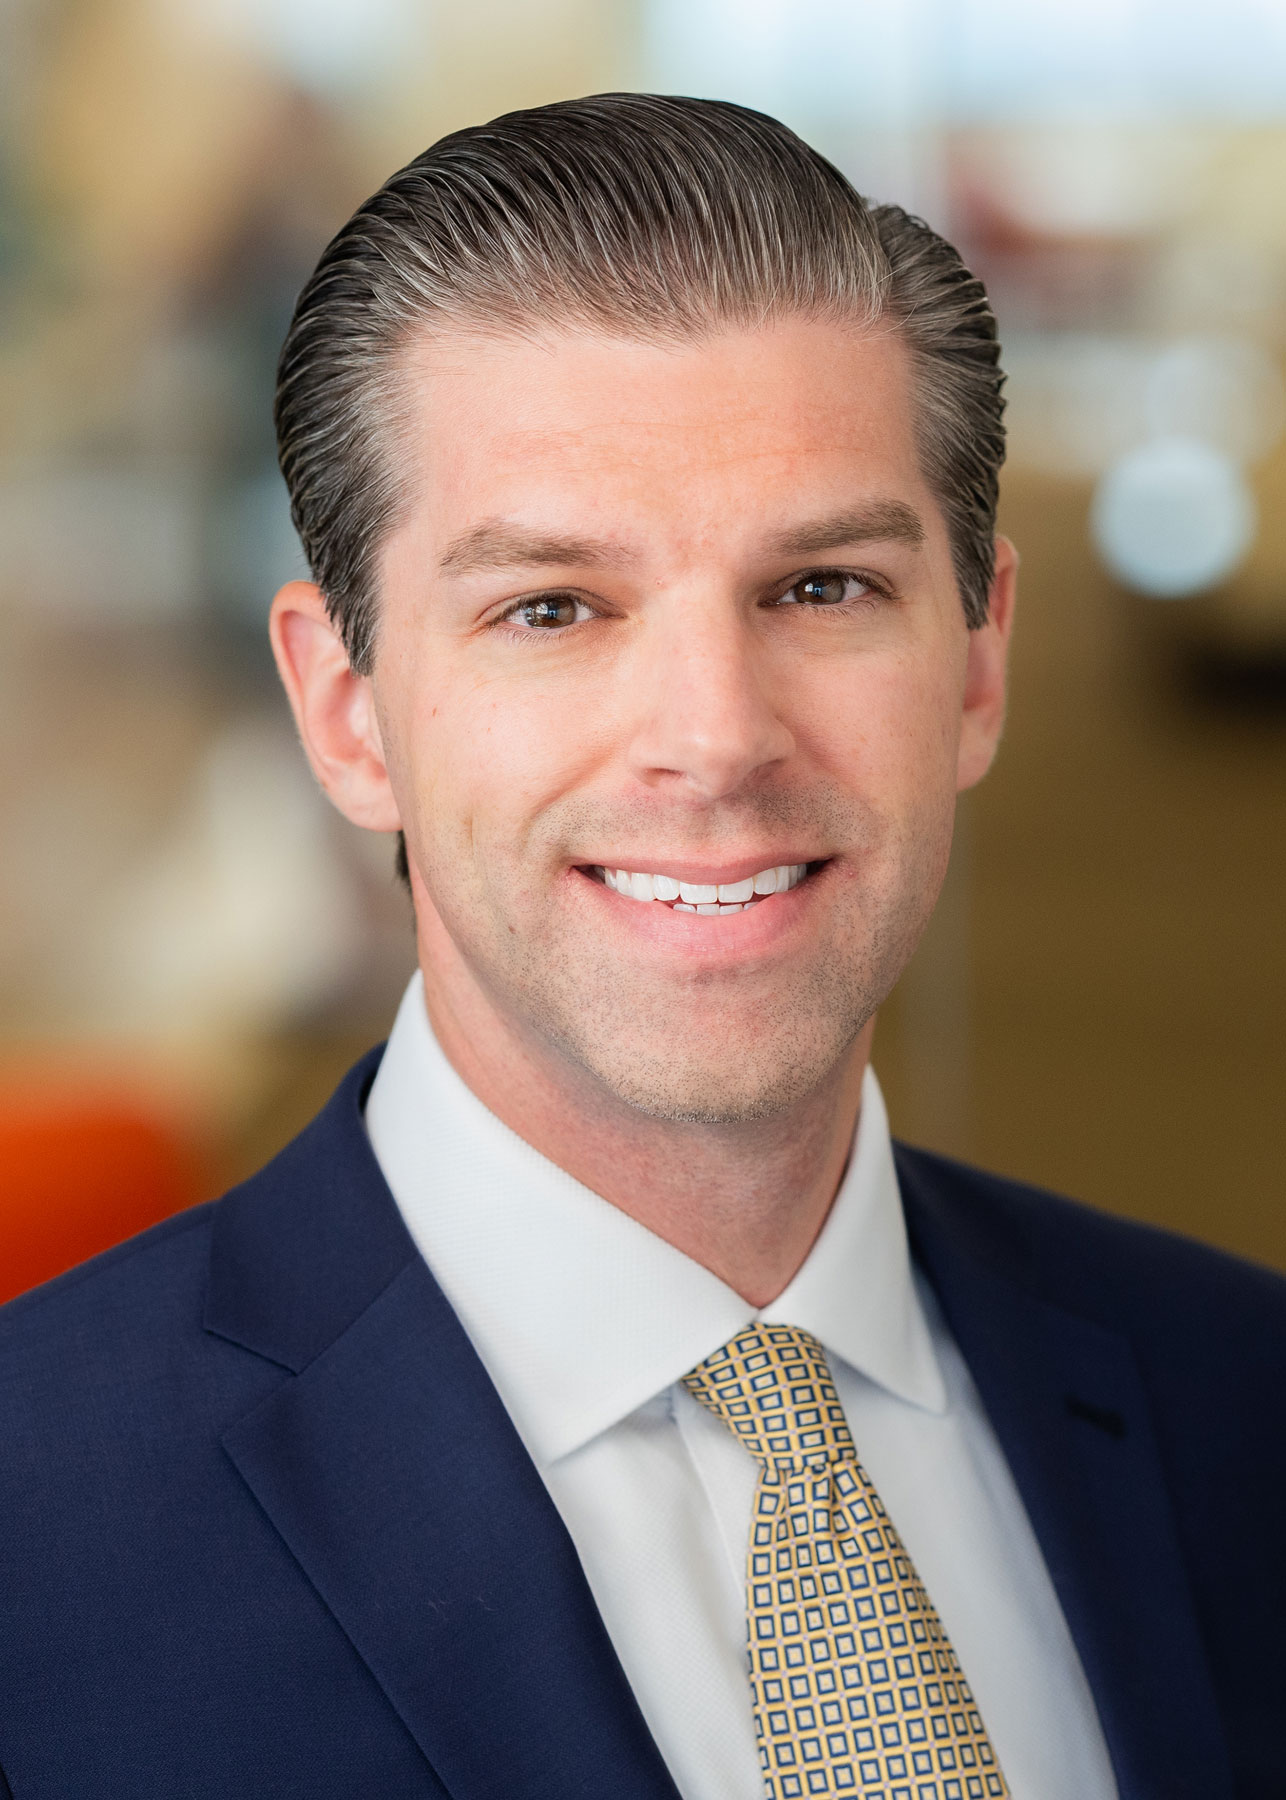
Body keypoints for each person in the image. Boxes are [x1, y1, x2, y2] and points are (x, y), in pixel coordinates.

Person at [0, 94, 1282, 1800]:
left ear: (977, 664)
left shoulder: (1244, 1402)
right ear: (348, 711)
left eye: (820, 587)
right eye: (551, 607)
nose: (715, 738)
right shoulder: (33, 1537)